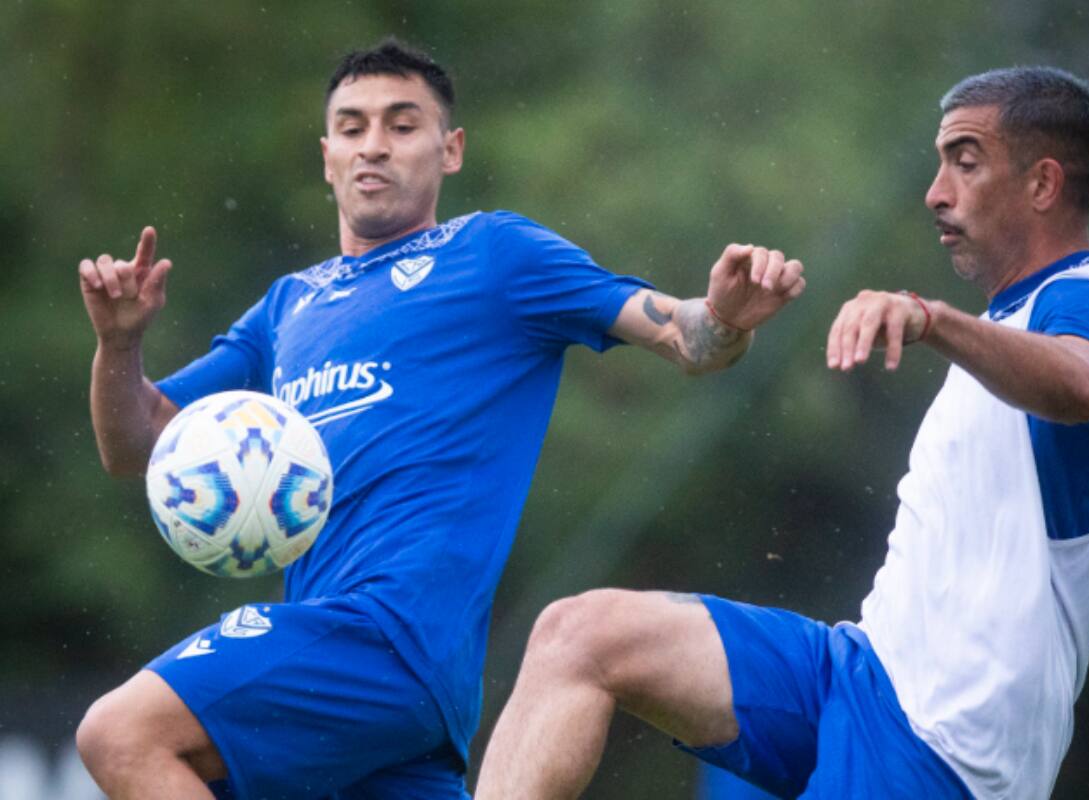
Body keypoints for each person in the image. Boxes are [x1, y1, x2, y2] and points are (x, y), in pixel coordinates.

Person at [72, 38, 805, 800]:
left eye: (401, 124)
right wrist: (119, 344)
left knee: (120, 734)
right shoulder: (288, 307)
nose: (373, 147)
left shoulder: (494, 253)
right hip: (355, 689)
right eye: (352, 129)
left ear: (450, 149)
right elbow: (136, 445)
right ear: (326, 156)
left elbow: (683, 336)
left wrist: (724, 316)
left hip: (386, 639)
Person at [474, 66, 1089, 800]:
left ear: (1042, 185)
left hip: (944, 750)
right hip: (861, 673)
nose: (936, 191)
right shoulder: (1014, 322)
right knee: (579, 636)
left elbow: (1085, 383)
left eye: (965, 163)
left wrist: (931, 318)